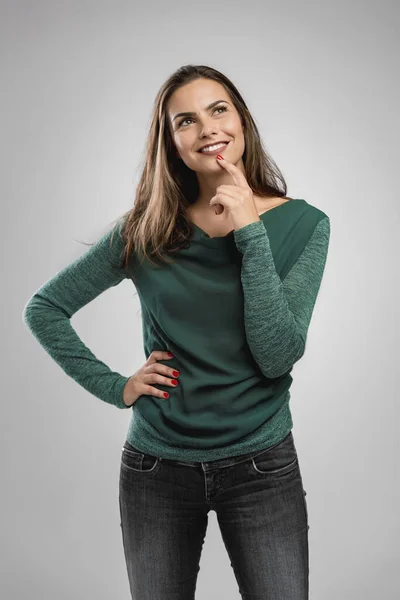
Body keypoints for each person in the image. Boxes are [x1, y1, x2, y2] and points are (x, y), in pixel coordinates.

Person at [22, 64, 331, 599]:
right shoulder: (146, 228)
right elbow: (45, 308)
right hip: (156, 467)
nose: (207, 128)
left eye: (218, 110)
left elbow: (276, 355)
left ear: (242, 121)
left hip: (262, 464)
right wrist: (114, 385)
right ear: (172, 143)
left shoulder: (305, 225)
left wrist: (250, 233)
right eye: (185, 120)